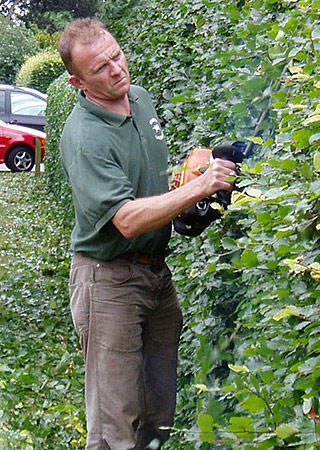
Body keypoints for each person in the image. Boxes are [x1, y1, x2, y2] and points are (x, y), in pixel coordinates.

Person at [57, 18, 238, 450]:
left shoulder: (139, 99)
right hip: (108, 283)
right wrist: (202, 184)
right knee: (114, 427)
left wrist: (186, 188)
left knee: (158, 417)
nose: (116, 70)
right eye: (99, 69)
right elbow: (126, 219)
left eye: (116, 56)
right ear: (77, 81)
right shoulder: (84, 136)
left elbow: (147, 182)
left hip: (156, 279)